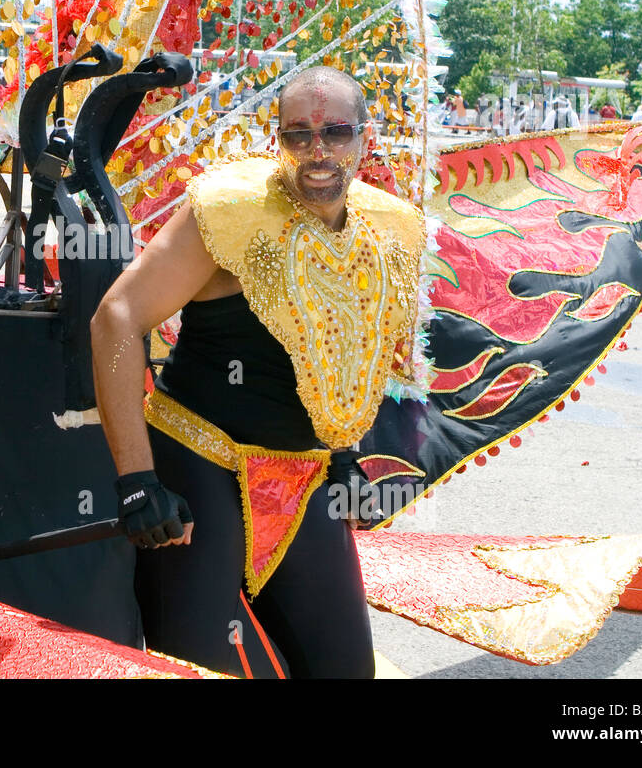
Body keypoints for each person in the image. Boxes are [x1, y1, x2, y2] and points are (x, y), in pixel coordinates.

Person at [90, 66, 426, 677]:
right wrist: (136, 481)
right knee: (199, 671)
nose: (318, 150)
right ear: (277, 140)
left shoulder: (390, 228)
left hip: (305, 477)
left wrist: (345, 453)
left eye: (335, 132)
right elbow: (115, 318)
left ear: (366, 140)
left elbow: (352, 350)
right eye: (299, 134)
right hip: (201, 461)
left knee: (347, 671)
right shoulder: (229, 209)